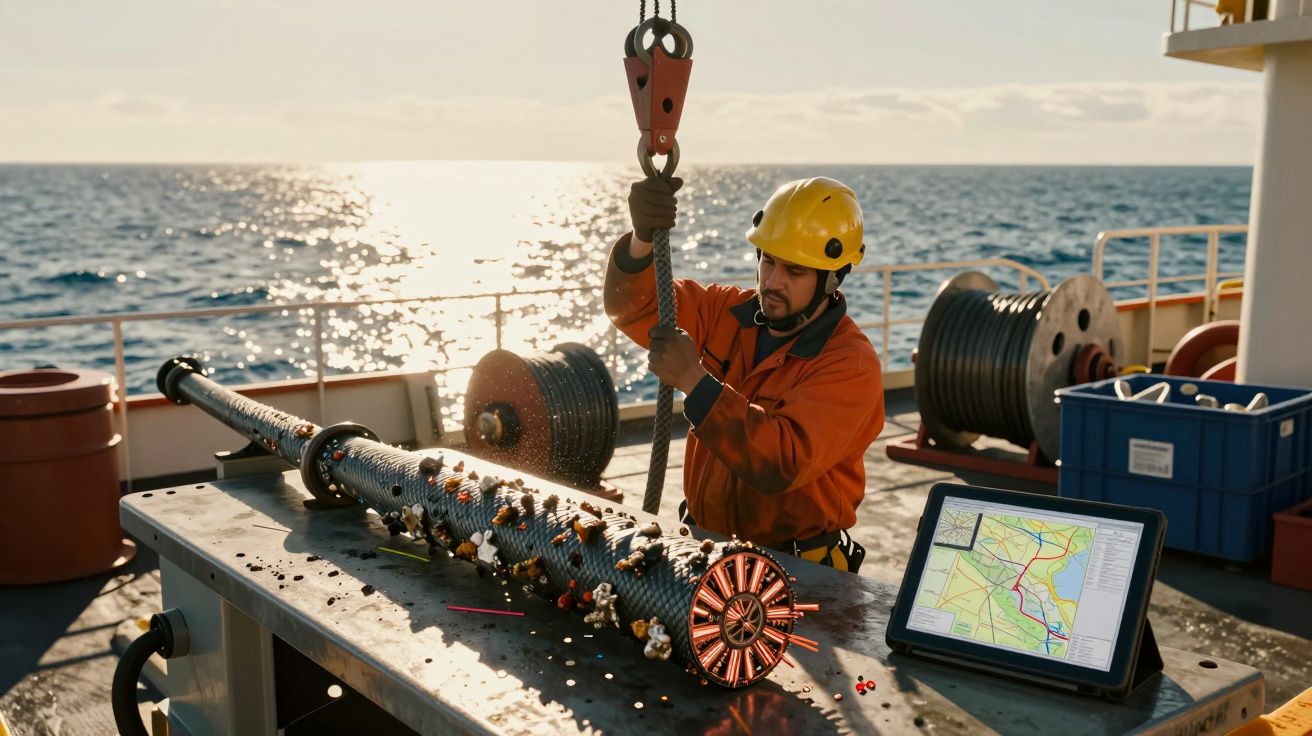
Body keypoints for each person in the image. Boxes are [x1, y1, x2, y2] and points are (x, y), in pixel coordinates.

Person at [604, 175, 885, 571]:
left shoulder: (850, 364)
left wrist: (694, 381)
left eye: (795, 271)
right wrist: (641, 240)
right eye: (768, 261)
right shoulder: (725, 311)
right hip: (705, 550)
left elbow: (781, 462)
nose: (773, 282)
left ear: (833, 277)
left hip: (796, 571)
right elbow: (633, 308)